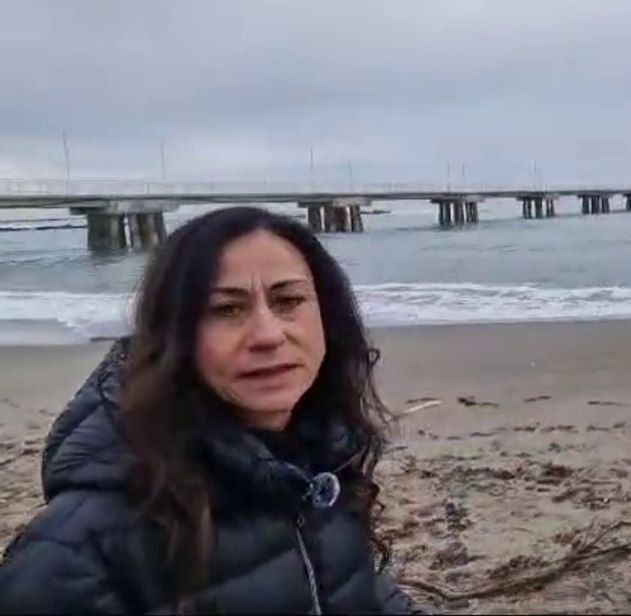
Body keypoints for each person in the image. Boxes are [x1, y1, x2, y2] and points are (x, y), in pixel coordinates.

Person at [0, 206, 424, 614]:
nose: (268, 335)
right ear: (174, 336)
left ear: (327, 317)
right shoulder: (80, 552)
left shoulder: (320, 476)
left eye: (288, 300)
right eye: (226, 309)